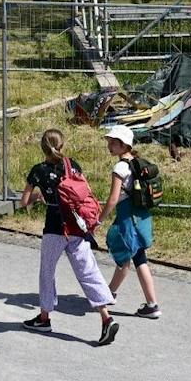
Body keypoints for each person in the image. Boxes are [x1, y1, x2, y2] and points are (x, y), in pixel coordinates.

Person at [17, 128, 118, 345]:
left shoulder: (38, 171)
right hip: (77, 227)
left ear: (42, 148)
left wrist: (38, 196)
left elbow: (23, 202)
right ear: (62, 145)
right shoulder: (73, 165)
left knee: (47, 272)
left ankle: (44, 318)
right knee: (87, 271)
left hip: (54, 228)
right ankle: (106, 317)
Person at [98, 125, 160, 318]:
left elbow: (113, 199)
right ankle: (116, 294)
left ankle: (149, 304)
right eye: (109, 141)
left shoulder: (120, 167)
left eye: (113, 142)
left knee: (126, 256)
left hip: (126, 217)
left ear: (123, 145)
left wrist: (99, 219)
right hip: (140, 215)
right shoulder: (137, 163)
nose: (109, 145)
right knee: (138, 257)